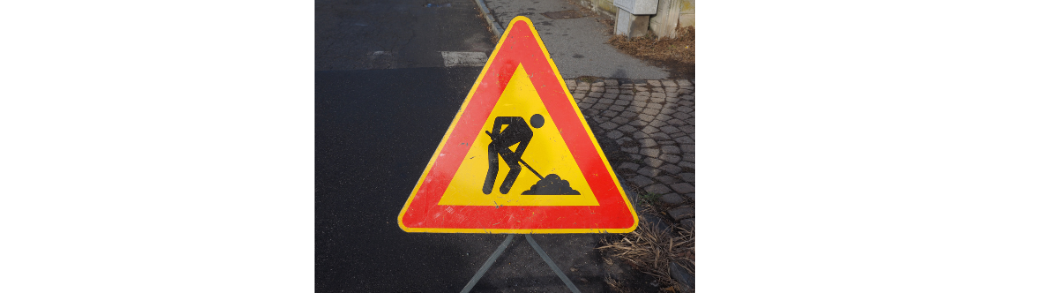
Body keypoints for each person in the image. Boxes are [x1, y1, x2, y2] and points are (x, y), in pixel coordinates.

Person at [483, 114, 544, 194]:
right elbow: (499, 119)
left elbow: (520, 150)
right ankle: (487, 189)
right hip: (495, 145)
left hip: (501, 147)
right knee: (494, 167)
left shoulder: (529, 133)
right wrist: (496, 132)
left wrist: (515, 157)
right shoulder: (519, 120)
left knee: (516, 168)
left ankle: (503, 190)